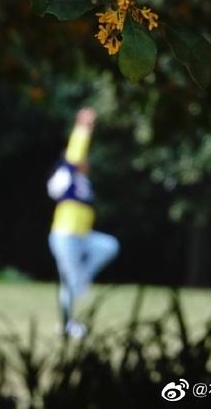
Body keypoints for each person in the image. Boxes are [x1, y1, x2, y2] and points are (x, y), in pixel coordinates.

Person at [47, 107, 120, 338]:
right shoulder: (67, 174)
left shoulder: (83, 181)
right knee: (69, 280)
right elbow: (75, 153)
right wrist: (83, 128)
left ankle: (82, 279)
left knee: (108, 246)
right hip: (65, 234)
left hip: (83, 235)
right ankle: (68, 324)